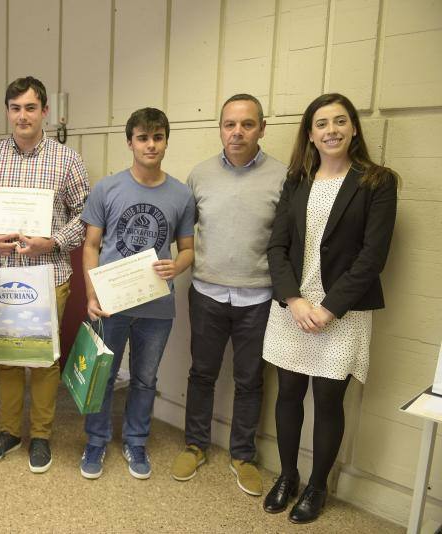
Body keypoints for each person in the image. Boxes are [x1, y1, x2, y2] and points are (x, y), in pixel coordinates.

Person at [261, 93, 398, 524]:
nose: (331, 130)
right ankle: (287, 475)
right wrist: (294, 299)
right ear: (311, 134)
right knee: (287, 395)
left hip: (344, 312)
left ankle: (318, 486)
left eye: (340, 121)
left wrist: (329, 308)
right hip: (292, 307)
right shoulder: (297, 179)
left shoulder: (377, 181)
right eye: (321, 124)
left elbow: (372, 257)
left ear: (354, 127)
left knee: (328, 399)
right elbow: (277, 246)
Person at [0, 76, 90, 473]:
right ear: (7, 111)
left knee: (42, 360)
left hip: (47, 273)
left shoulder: (67, 160)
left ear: (45, 112)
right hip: (0, 273)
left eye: (30, 108)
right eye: (15, 108)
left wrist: (52, 242)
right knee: (4, 358)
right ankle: (8, 431)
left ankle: (40, 435)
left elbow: (84, 217)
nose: (23, 116)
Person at [171, 94, 287, 496]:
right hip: (206, 293)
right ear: (220, 128)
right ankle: (195, 444)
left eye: (247, 124)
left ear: (261, 128)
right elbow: (184, 235)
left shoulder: (283, 177)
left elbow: (287, 241)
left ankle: (242, 455)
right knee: (201, 373)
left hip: (259, 298)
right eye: (229, 124)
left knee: (251, 379)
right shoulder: (199, 175)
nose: (237, 132)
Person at [80, 108, 195, 480]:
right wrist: (91, 295)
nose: (151, 144)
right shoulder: (107, 188)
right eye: (143, 137)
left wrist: (177, 266)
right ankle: (95, 442)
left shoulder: (181, 194)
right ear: (130, 142)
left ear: (165, 141)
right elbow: (91, 245)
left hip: (156, 306)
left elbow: (188, 249)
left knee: (146, 379)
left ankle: (135, 440)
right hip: (112, 302)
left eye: (158, 137)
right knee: (103, 375)